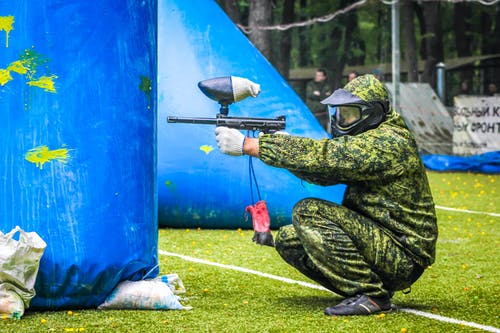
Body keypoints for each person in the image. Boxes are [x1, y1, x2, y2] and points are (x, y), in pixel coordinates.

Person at [214, 74, 438, 316]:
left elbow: (329, 156)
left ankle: (372, 295)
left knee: (308, 211)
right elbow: (324, 173)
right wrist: (283, 147)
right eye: (341, 114)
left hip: (402, 254)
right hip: (380, 244)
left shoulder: (390, 141)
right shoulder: (373, 136)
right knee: (290, 239)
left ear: (372, 113)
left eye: (351, 114)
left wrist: (252, 145)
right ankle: (367, 287)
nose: (343, 121)